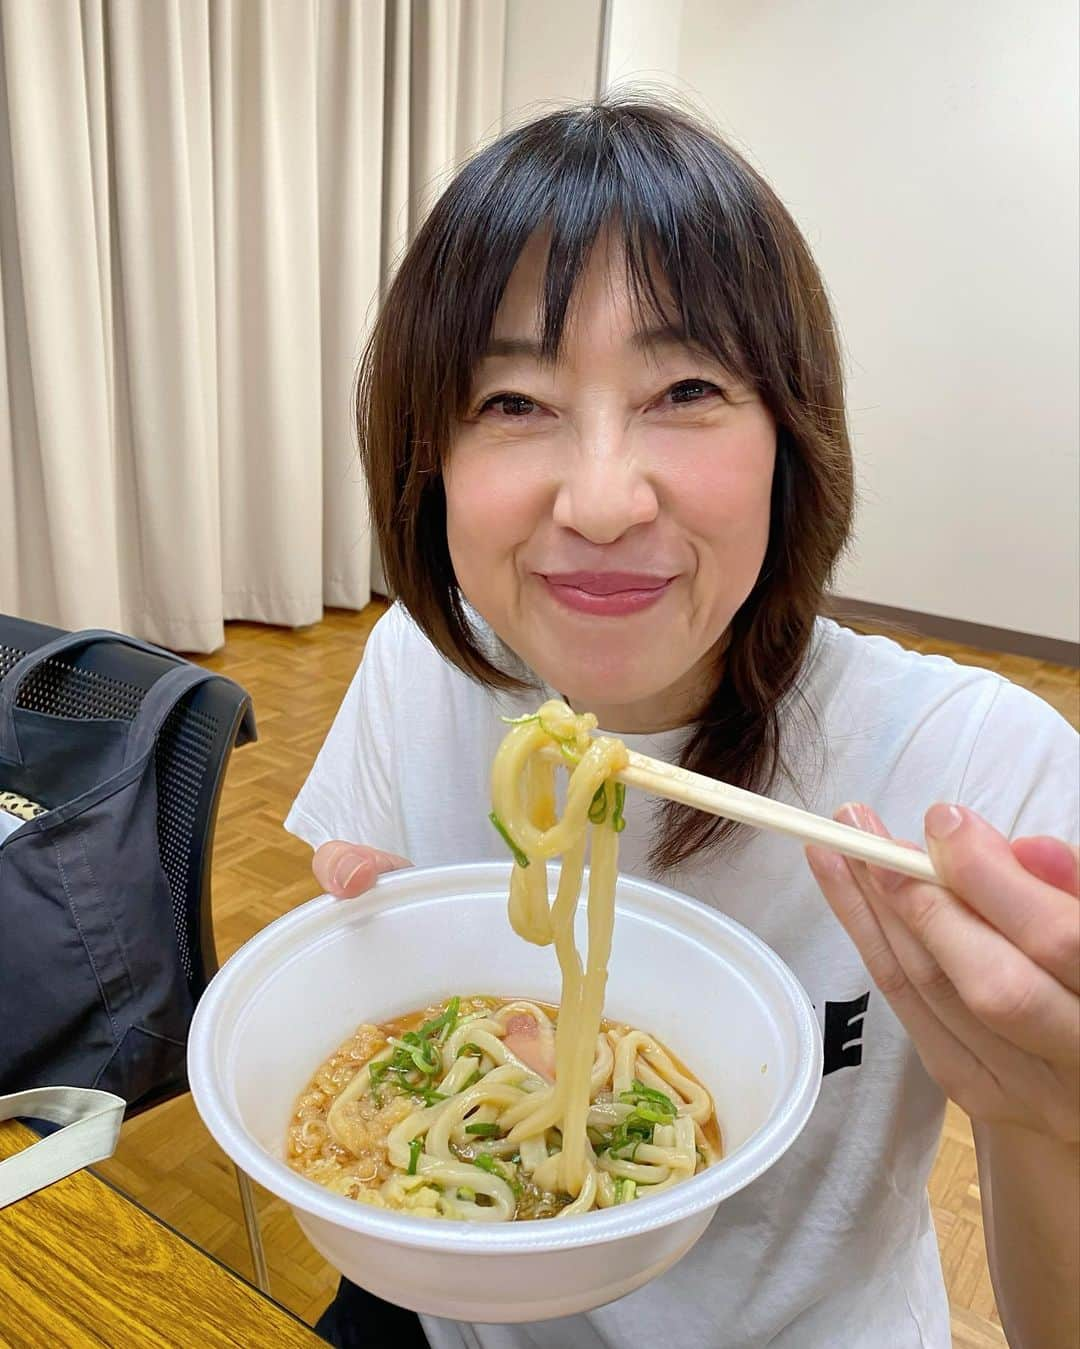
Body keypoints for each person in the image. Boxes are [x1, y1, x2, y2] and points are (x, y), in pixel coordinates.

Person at [285, 98, 1079, 1349]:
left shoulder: (977, 772)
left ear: (790, 437)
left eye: (688, 386)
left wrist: (1053, 1123)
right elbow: (366, 921)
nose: (601, 498)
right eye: (511, 401)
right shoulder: (417, 669)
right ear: (427, 456)